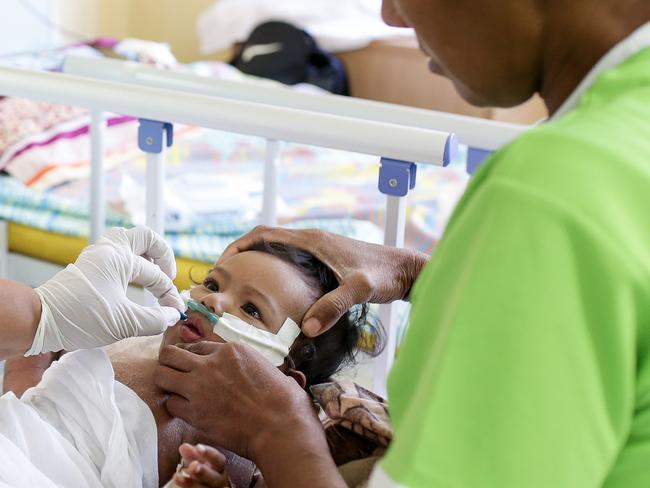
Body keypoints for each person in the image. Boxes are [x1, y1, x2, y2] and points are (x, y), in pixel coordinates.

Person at [154, 1, 650, 487]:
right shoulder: (617, 149)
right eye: (213, 283)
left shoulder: (550, 192)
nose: (392, 15)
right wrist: (420, 273)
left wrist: (276, 430)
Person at [3, 241, 377, 487]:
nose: (214, 302)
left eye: (251, 310)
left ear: (279, 382)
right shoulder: (129, 339)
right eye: (213, 285)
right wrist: (42, 330)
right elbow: (29, 400)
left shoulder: (232, 433)